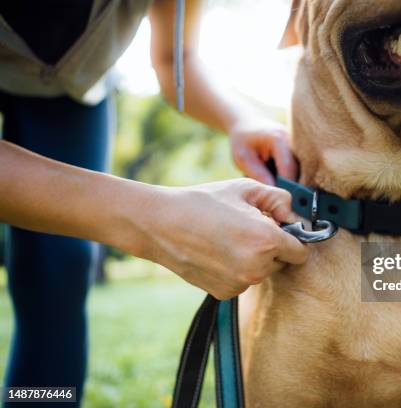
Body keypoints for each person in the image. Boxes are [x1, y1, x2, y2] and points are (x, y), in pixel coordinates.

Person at [0, 0, 308, 405]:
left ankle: (38, 400)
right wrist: (155, 218)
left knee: (59, 268)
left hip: (68, 95)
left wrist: (240, 119)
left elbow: (176, 59)